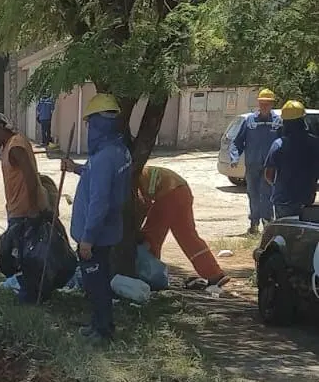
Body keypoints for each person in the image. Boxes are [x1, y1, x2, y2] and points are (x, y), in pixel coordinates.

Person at [61, 94, 131, 342]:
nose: (88, 128)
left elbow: (99, 200)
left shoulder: (103, 158)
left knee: (96, 284)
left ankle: (102, 331)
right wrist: (77, 168)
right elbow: (99, 179)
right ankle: (97, 324)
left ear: (99, 124)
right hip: (109, 229)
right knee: (97, 281)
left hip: (96, 235)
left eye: (90, 123)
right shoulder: (118, 150)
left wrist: (87, 239)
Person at [137, 165, 228, 287]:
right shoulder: (139, 171)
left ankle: (149, 275)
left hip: (168, 194)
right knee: (187, 235)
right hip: (182, 190)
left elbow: (141, 205)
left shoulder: (130, 177)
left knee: (151, 235)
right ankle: (214, 273)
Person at [230, 89, 282, 234]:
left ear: (272, 104)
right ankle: (254, 224)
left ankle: (267, 224)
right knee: (253, 194)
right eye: (262, 103)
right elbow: (237, 141)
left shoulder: (278, 122)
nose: (264, 105)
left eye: (267, 103)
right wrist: (234, 158)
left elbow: (284, 143)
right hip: (252, 165)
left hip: (270, 167)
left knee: (267, 194)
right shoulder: (249, 121)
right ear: (258, 103)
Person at [0, 112, 49, 228]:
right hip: (16, 211)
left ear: (1, 128)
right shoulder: (8, 146)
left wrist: (33, 207)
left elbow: (31, 176)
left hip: (25, 214)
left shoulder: (16, 146)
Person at [264, 100, 319, 219]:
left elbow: (269, 175)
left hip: (283, 201)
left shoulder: (278, 144)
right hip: (307, 200)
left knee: (285, 234)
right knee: (304, 235)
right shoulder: (315, 143)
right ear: (303, 120)